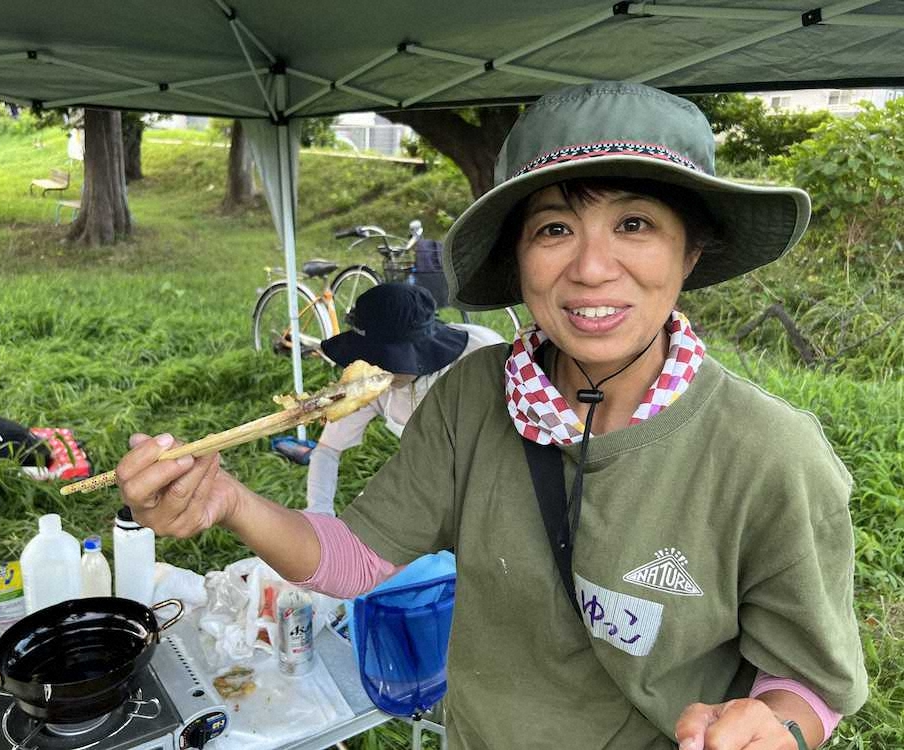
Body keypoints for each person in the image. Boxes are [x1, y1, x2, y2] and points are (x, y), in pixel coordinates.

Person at [116, 82, 867, 749]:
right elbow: (356, 561)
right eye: (554, 229)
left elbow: (807, 684)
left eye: (634, 224)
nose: (592, 268)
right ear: (520, 255)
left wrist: (778, 724)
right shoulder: (476, 393)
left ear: (691, 251)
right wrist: (229, 501)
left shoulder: (768, 455)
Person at [306, 282, 505, 516]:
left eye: (390, 361)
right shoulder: (368, 381)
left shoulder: (481, 356)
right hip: (426, 476)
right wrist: (320, 513)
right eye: (372, 359)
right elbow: (328, 449)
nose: (381, 369)